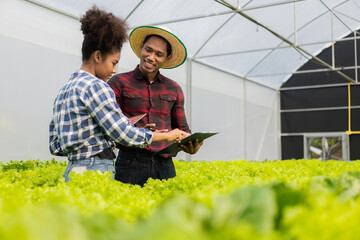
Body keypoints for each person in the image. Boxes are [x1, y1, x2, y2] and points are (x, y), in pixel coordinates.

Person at [49, 7, 187, 183]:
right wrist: (166, 135)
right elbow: (122, 134)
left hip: (74, 168)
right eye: (114, 63)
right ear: (98, 56)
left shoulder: (65, 89)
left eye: (159, 54)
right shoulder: (97, 87)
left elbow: (55, 144)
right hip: (96, 168)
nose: (114, 70)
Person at [107, 26, 203, 186]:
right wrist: (142, 132)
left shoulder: (173, 88)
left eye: (159, 54)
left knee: (167, 210)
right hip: (130, 164)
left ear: (167, 57)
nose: (151, 57)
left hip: (164, 165)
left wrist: (190, 144)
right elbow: (112, 129)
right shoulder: (119, 83)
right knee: (128, 210)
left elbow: (182, 129)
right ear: (141, 48)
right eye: (148, 50)